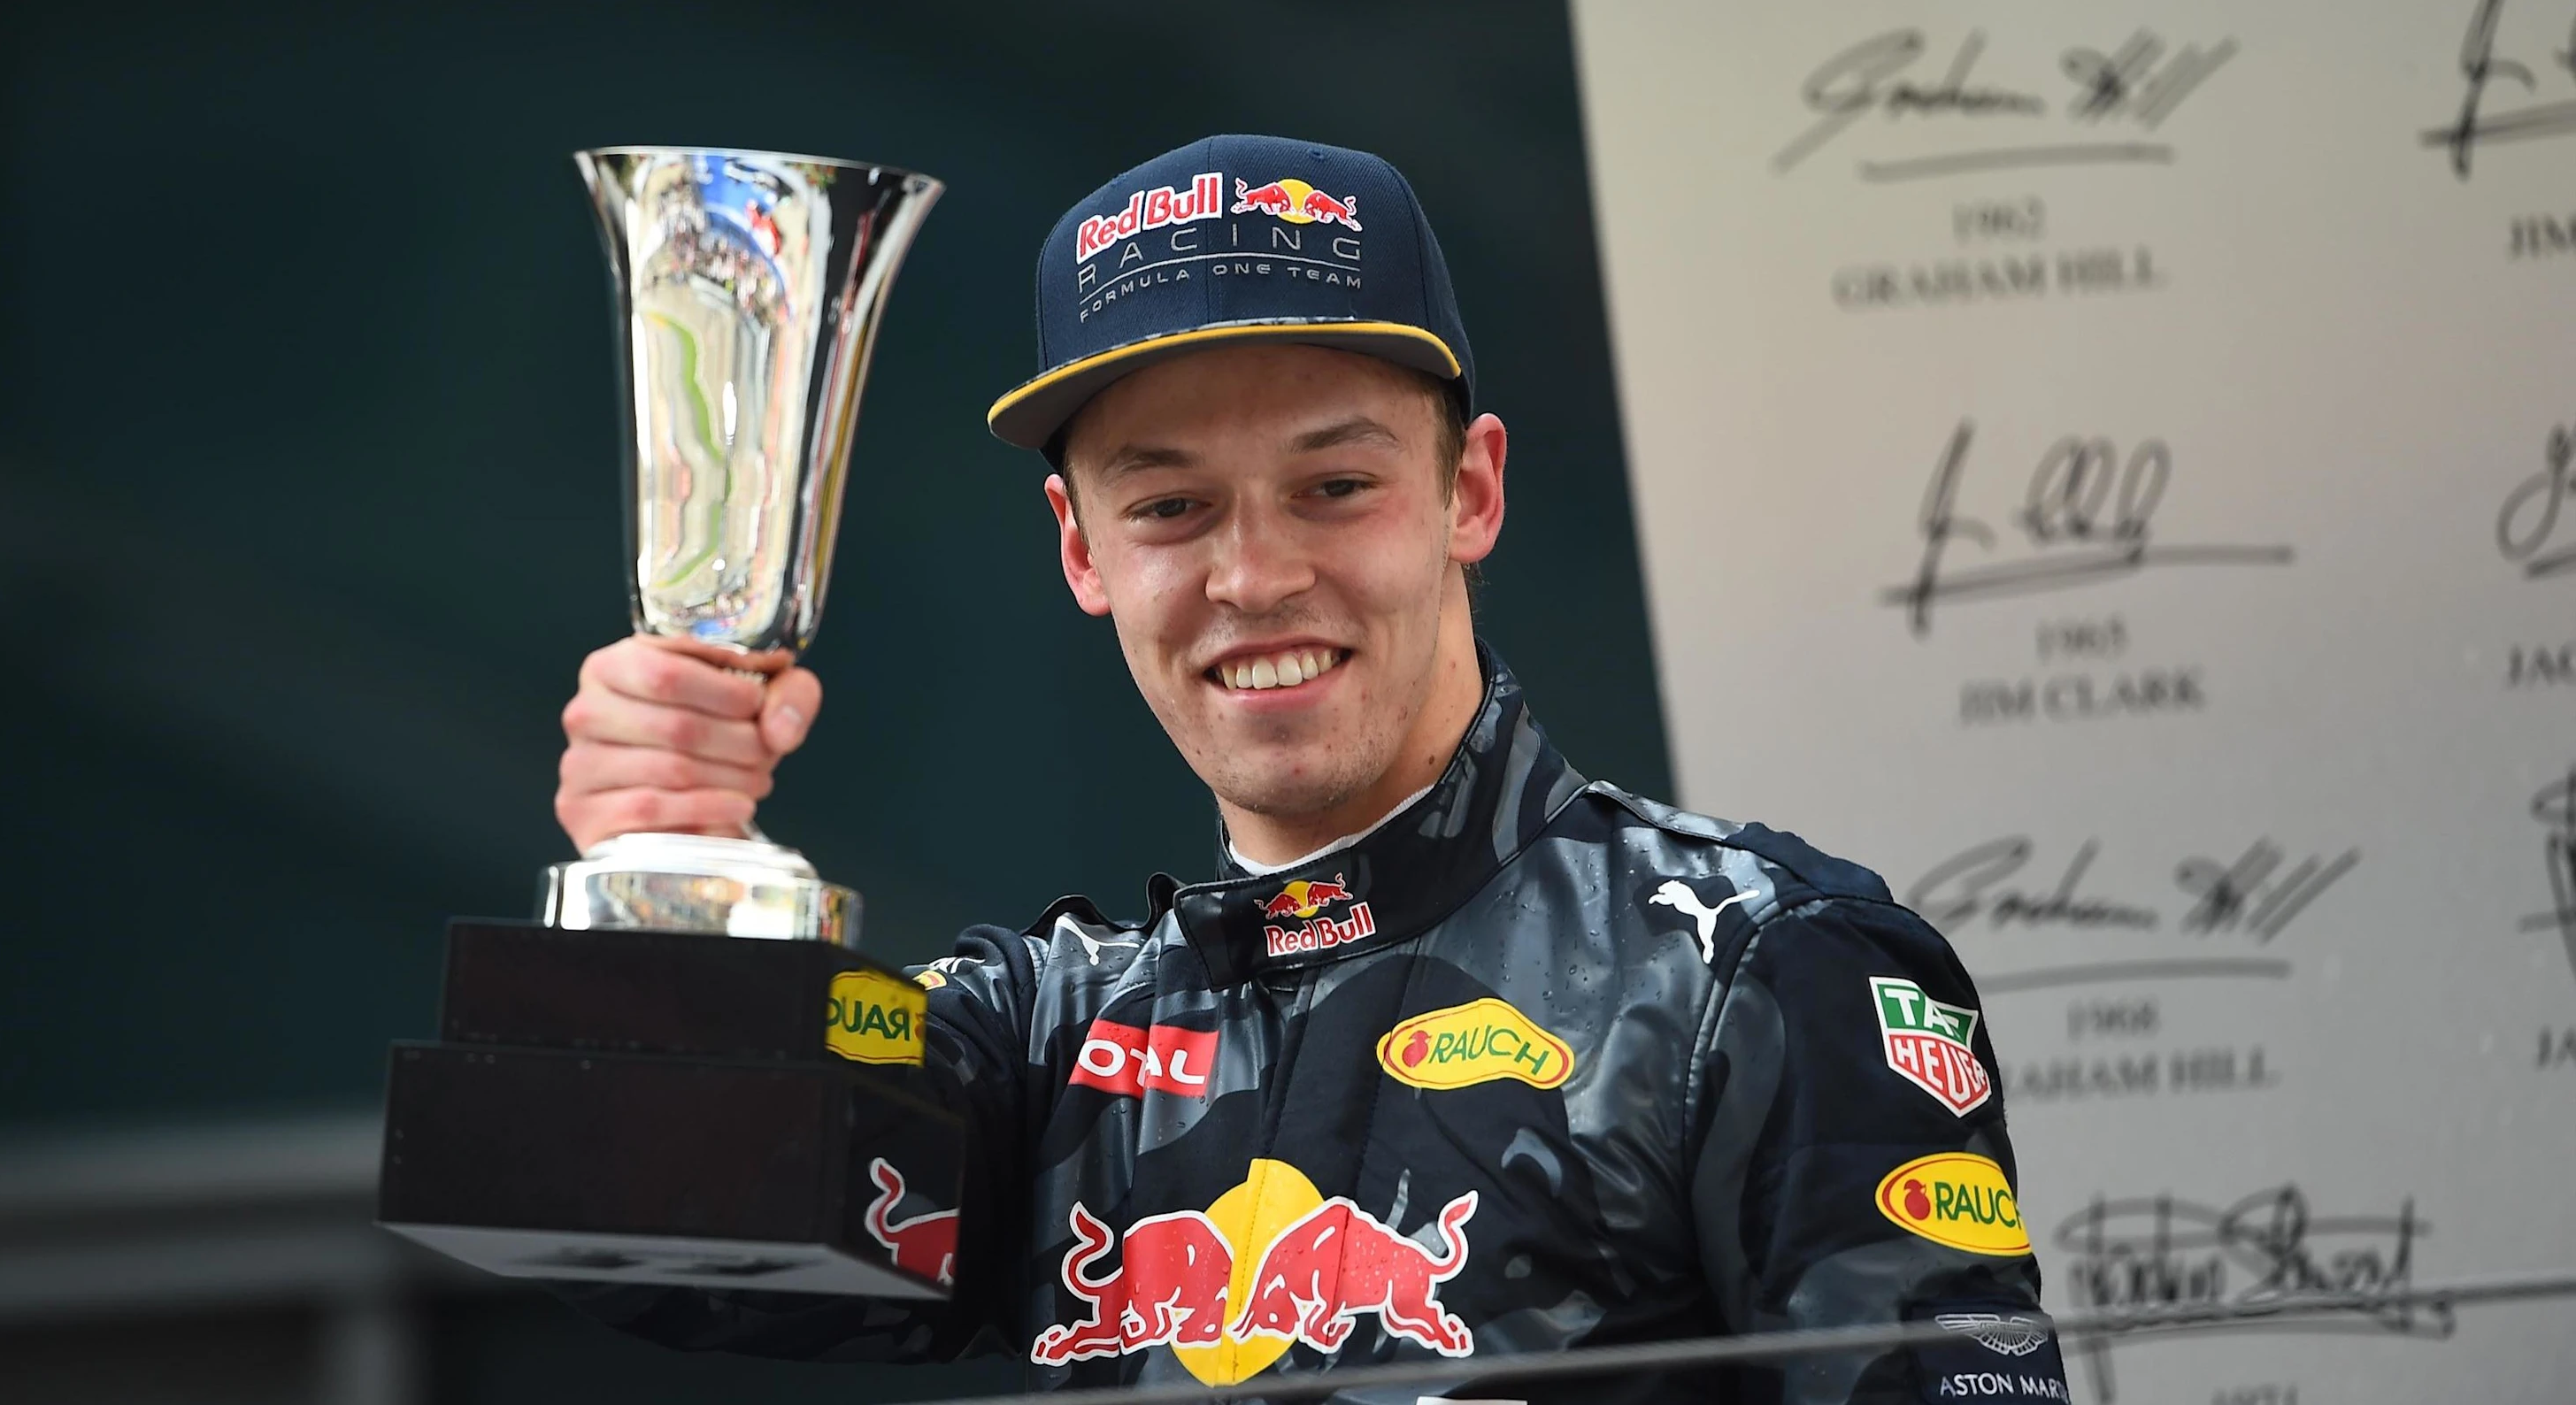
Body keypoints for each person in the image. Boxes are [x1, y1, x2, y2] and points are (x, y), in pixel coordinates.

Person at [552, 135, 2067, 1401]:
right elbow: (657, 1243)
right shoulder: (1042, 1035)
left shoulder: (1757, 967)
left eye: (1335, 487)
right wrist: (658, 883)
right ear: (1083, 553)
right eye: (1171, 509)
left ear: (1468, 492)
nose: (1255, 575)